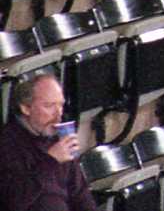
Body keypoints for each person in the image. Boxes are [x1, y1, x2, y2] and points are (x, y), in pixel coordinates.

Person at [0, 71, 95, 211]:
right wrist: (51, 160)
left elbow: (80, 195)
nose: (58, 115)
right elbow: (13, 201)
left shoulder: (58, 138)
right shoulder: (7, 143)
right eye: (49, 106)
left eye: (61, 105)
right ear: (26, 108)